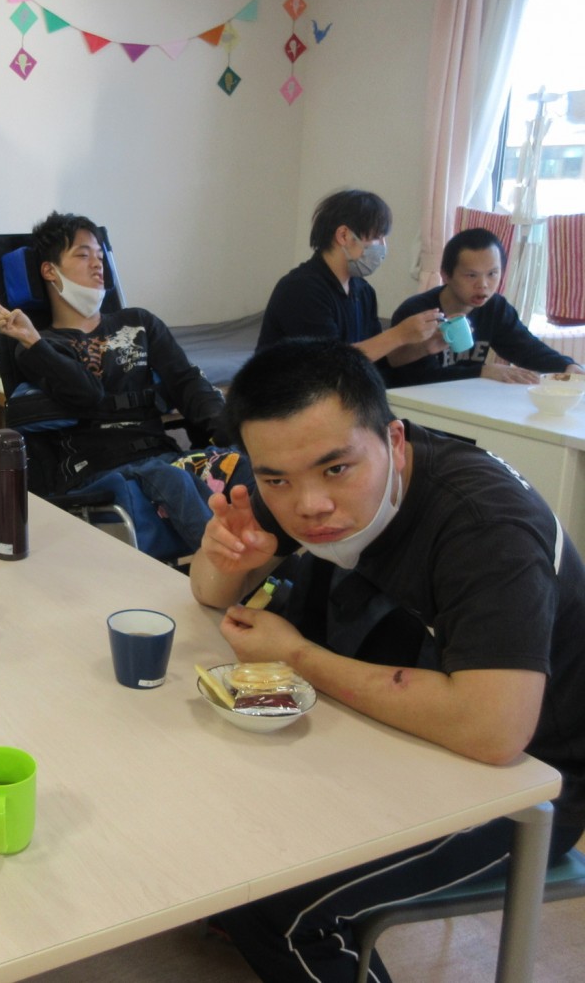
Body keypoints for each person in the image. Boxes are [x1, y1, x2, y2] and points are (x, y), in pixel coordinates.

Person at [189, 340, 585, 982]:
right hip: (393, 724)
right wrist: (226, 556)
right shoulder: (295, 465)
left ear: (394, 441)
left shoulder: (483, 527)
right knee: (204, 791)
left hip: (528, 780)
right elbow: (210, 591)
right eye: (275, 481)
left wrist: (294, 654)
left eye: (336, 471)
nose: (308, 505)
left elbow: (495, 731)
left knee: (277, 912)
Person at [0, 212, 247, 552]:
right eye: (82, 254)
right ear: (49, 270)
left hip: (161, 456)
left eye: (100, 255)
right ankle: (229, 573)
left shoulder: (139, 323)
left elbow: (186, 382)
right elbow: (86, 394)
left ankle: (276, 576)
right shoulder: (39, 347)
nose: (97, 265)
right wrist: (34, 343)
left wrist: (231, 433)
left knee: (243, 465)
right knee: (173, 479)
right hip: (98, 472)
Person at [257, 189, 443, 363]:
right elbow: (330, 363)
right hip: (288, 395)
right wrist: (399, 334)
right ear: (344, 235)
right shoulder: (300, 288)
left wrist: (425, 346)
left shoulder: (363, 290)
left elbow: (375, 357)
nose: (383, 247)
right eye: (376, 237)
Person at [385, 226, 583, 385]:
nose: (483, 285)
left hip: (464, 402)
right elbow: (416, 379)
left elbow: (525, 348)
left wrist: (566, 366)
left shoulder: (495, 307)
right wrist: (482, 371)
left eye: (492, 274)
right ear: (445, 275)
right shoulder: (418, 312)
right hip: (416, 409)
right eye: (471, 275)